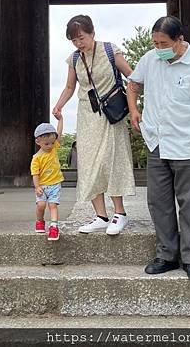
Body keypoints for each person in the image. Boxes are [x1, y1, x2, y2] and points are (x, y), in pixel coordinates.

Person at [127, 16, 190, 281]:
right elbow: (133, 84)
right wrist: (134, 109)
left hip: (188, 143)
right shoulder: (150, 59)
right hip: (157, 141)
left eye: (164, 43)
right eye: (155, 43)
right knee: (158, 203)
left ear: (179, 39)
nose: (159, 48)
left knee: (189, 204)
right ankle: (166, 255)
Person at [53, 15, 135, 235]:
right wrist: (59, 105)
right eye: (73, 40)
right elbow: (70, 87)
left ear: (92, 33)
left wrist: (136, 109)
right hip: (87, 115)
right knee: (89, 163)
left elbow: (131, 76)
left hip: (111, 114)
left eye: (81, 37)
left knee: (111, 159)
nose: (78, 43)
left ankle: (120, 213)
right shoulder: (74, 59)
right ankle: (100, 215)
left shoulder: (110, 50)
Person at [32, 118, 64, 241]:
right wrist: (37, 187)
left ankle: (54, 226)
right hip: (42, 186)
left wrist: (60, 119)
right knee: (41, 205)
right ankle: (40, 221)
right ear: (38, 142)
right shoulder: (36, 158)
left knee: (53, 205)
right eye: (46, 144)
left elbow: (59, 133)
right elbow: (35, 174)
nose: (50, 146)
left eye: (52, 143)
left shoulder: (54, 148)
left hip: (55, 184)